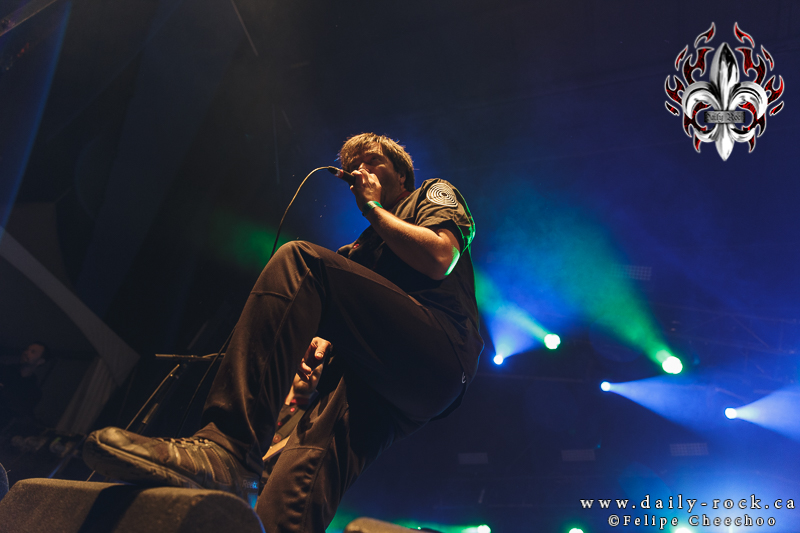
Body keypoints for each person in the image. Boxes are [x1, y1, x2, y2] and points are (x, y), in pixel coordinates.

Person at [83, 133, 483, 532]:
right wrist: (324, 341)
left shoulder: (430, 193)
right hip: (376, 380)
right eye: (353, 167)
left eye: (372, 161)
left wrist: (373, 208)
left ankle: (229, 446)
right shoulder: (359, 251)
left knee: (301, 261)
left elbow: (439, 257)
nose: (361, 171)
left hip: (439, 351)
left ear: (401, 174)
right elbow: (367, 307)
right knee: (296, 480)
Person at [0, 342, 49, 427]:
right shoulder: (4, 370)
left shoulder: (33, 391)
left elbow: (19, 410)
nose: (26, 352)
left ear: (40, 361)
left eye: (32, 352)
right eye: (26, 349)